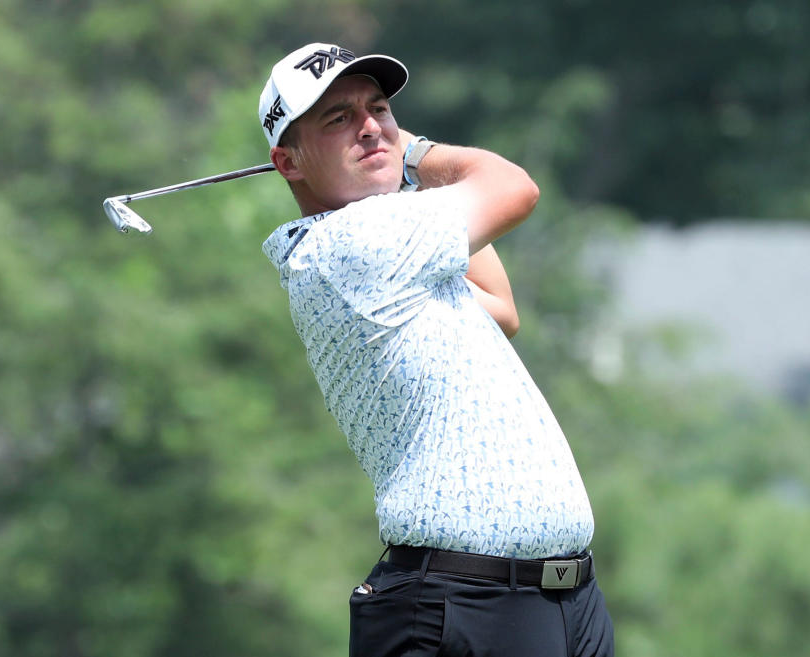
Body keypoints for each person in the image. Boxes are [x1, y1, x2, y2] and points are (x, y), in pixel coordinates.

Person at [259, 42, 614, 657]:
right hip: (460, 607)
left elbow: (501, 310)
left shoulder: (397, 250)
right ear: (287, 162)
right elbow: (514, 187)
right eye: (338, 119)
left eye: (379, 109)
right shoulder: (356, 244)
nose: (370, 127)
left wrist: (393, 165)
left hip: (559, 605)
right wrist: (416, 155)